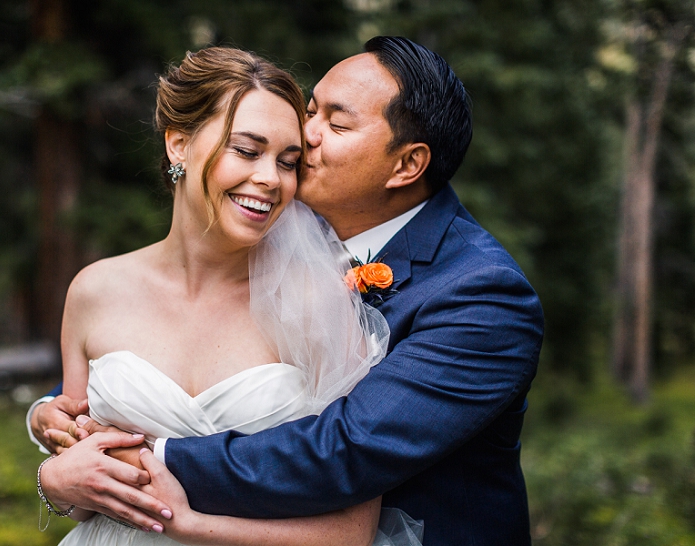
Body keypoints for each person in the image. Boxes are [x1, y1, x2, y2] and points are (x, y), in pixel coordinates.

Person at [32, 36, 544, 545]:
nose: (305, 135)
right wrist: (50, 422)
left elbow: (346, 450)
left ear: (407, 165)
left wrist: (148, 455)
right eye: (311, 110)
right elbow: (152, 357)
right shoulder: (277, 227)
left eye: (336, 124)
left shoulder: (482, 296)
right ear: (178, 143)